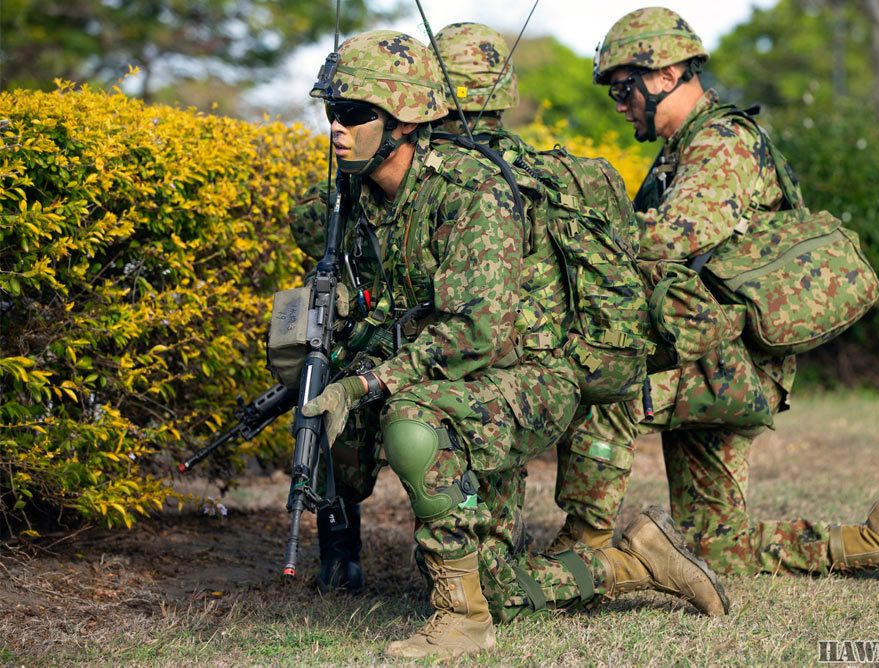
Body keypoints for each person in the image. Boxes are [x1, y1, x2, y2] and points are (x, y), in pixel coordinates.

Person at [300, 30, 728, 660]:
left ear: (405, 120)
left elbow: (478, 332)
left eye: (357, 113)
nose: (338, 129)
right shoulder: (358, 200)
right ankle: (631, 562)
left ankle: (462, 623)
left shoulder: (472, 191)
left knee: (414, 422)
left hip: (527, 378)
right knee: (496, 581)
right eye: (332, 113)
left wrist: (370, 382)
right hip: (463, 382)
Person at [545, 6, 879, 587]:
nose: (619, 104)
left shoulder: (721, 143)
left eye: (624, 87)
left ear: (667, 74)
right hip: (714, 352)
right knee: (717, 549)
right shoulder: (683, 150)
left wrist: (568, 225)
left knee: (608, 387)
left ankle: (577, 558)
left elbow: (675, 238)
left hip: (728, 361)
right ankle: (876, 541)